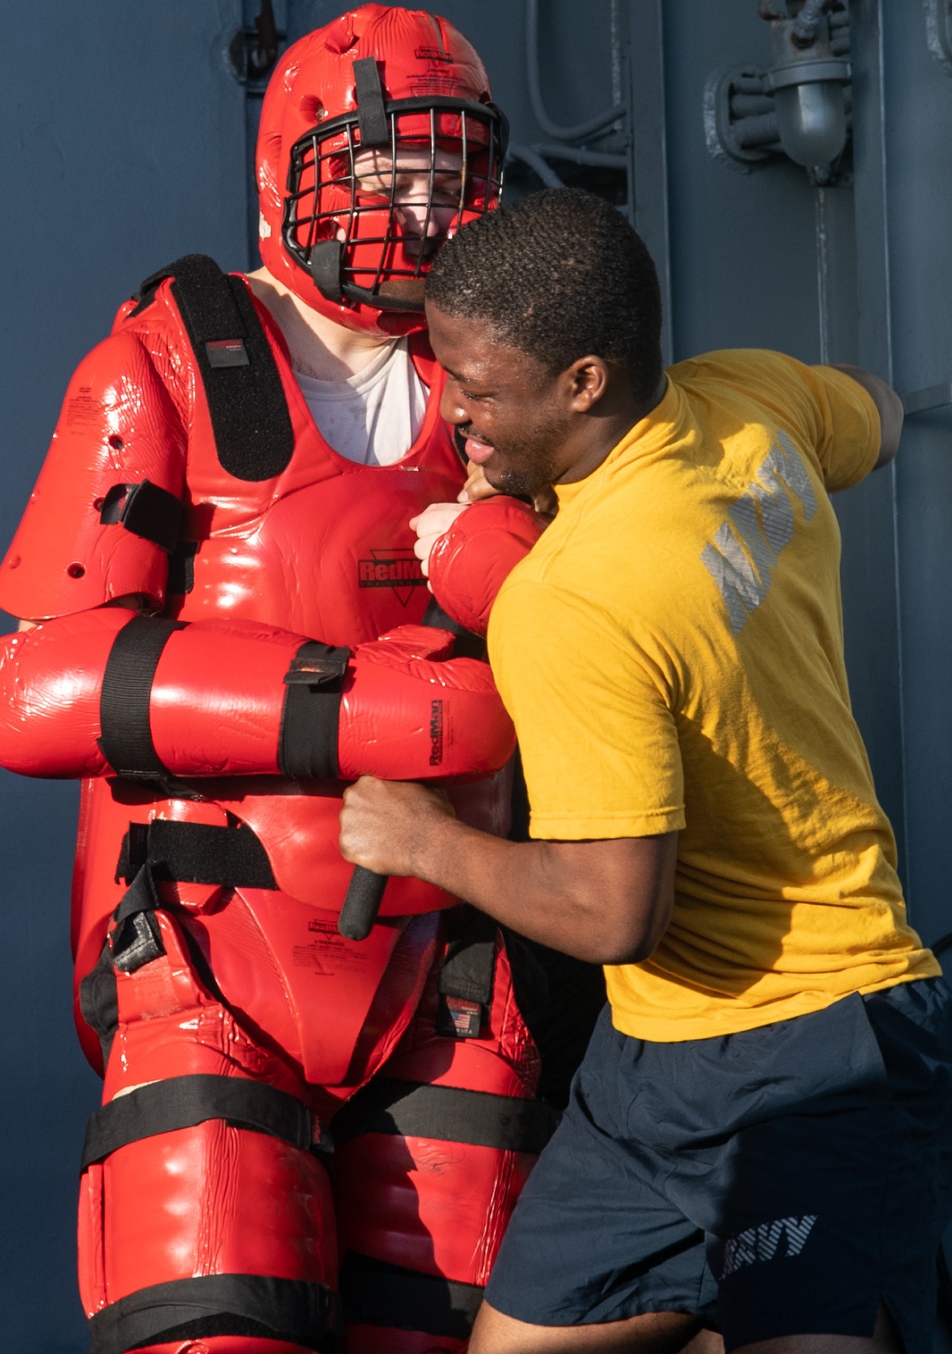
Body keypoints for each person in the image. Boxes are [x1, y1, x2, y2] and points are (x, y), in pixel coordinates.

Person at [0, 7, 604, 1354]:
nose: (422, 210)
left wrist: (516, 566)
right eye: (388, 174)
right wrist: (368, 710)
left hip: (452, 970)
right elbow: (27, 687)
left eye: (447, 175)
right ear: (293, 173)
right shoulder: (170, 364)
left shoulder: (499, 372)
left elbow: (624, 617)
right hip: (211, 955)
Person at [338, 186, 952, 1354]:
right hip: (652, 1066)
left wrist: (422, 840)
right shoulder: (748, 400)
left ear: (582, 382)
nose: (452, 413)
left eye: (477, 388)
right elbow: (869, 412)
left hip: (814, 1046)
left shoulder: (571, 603)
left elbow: (614, 908)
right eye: (443, 372)